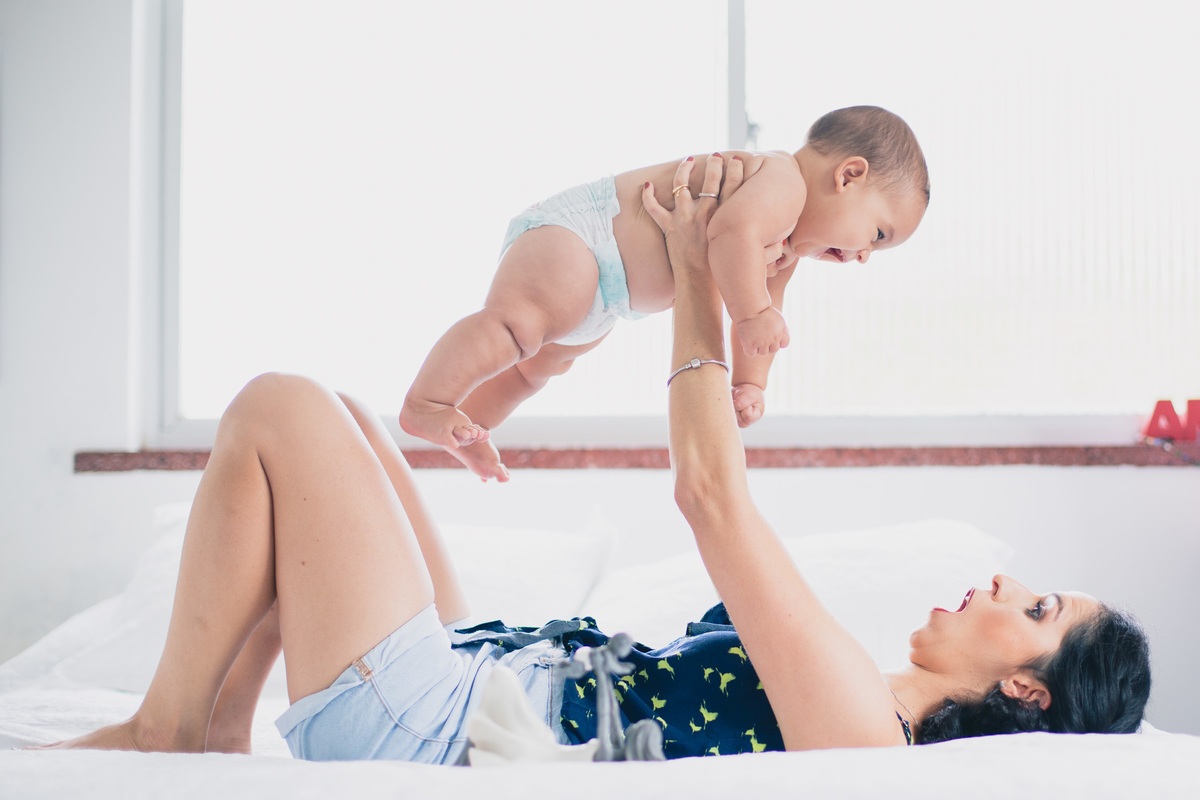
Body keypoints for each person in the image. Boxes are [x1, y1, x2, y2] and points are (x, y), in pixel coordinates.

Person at [39, 155, 1147, 761]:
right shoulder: (853, 678)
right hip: (494, 664)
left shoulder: (867, 729)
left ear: (1023, 686)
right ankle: (226, 722)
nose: (1006, 582)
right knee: (347, 418)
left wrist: (692, 275)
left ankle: (173, 723)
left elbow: (711, 495)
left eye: (1041, 605)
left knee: (276, 408)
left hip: (444, 725)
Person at [400, 105, 930, 482]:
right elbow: (730, 238)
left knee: (534, 366)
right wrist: (752, 315)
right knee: (519, 327)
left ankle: (468, 426)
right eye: (877, 236)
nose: (863, 257)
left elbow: (764, 312)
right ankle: (427, 402)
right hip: (584, 236)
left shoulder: (785, 247)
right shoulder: (782, 181)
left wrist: (752, 383)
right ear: (849, 176)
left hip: (607, 298)